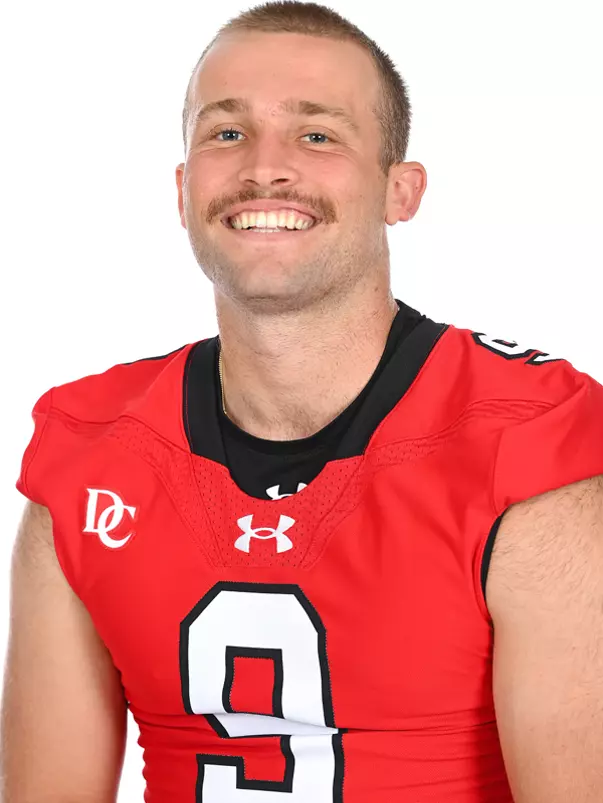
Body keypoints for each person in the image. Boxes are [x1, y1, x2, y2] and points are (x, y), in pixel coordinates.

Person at [2, 1, 603, 801]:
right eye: (226, 133)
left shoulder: (526, 439)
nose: (263, 167)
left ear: (400, 191)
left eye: (316, 135)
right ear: (183, 189)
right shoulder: (87, 448)